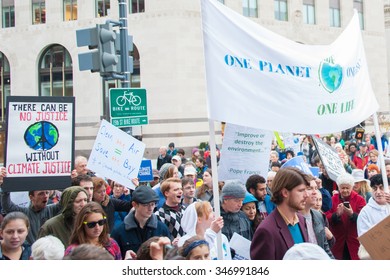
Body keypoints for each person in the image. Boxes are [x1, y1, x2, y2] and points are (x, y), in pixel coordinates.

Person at [250, 167, 310, 260]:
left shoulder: (301, 220)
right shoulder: (266, 231)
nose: (307, 195)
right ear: (285, 192)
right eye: (301, 190)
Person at [111, 185, 171, 259]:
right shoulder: (119, 231)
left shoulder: (162, 228)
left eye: (153, 204)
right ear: (134, 205)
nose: (150, 208)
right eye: (146, 205)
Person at [325, 173, 366, 260]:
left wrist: (352, 214)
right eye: (342, 188)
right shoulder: (332, 199)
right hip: (337, 241)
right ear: (338, 187)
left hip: (354, 241)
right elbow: (325, 218)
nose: (345, 190)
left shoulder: (359, 200)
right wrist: (336, 215)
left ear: (351, 187)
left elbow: (364, 220)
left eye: (347, 188)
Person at [300, 178, 334, 259]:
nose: (315, 192)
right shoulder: (293, 218)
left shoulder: (319, 215)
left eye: (316, 188)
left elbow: (325, 249)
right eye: (310, 188)